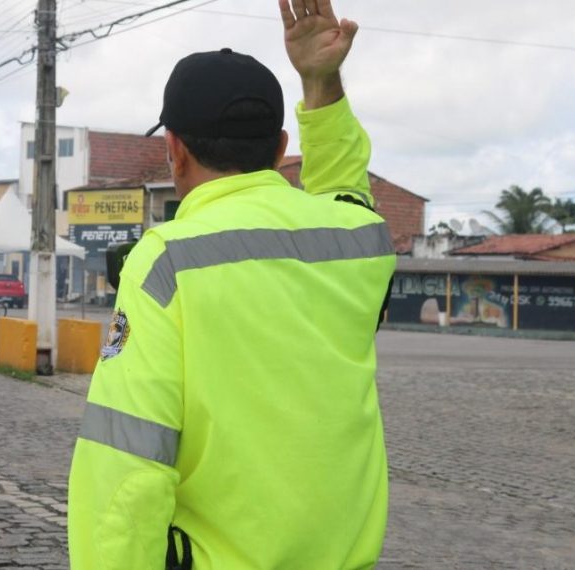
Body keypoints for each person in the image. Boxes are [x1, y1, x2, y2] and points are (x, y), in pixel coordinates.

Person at [67, 1, 396, 568]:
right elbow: (345, 189)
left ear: (174, 150)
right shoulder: (359, 244)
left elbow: (127, 467)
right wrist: (322, 83)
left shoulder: (166, 262)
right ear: (279, 149)